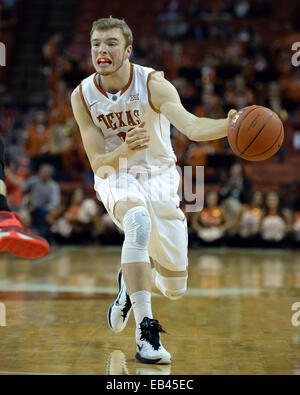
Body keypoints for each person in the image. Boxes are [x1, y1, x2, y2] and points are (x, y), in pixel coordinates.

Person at [71, 16, 236, 365]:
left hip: (161, 176)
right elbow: (99, 163)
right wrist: (123, 151)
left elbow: (190, 126)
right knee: (138, 221)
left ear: (128, 50)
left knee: (176, 288)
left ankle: (130, 282)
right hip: (117, 174)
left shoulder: (153, 84)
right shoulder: (82, 96)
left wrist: (230, 125)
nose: (102, 49)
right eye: (96, 43)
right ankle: (146, 334)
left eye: (111, 43)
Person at [0, 138, 49, 259]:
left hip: (17, 205)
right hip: (9, 205)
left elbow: (19, 184)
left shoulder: (17, 174)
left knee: (25, 217)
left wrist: (6, 172)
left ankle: (12, 245)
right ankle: (4, 219)